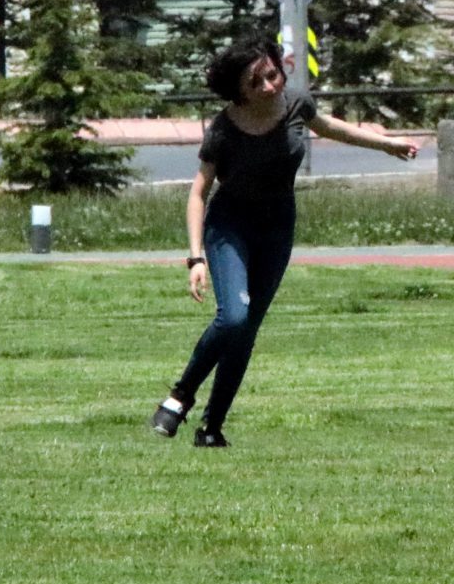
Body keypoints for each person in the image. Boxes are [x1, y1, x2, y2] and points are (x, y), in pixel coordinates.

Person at [151, 37, 419, 446]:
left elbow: (329, 126)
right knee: (233, 317)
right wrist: (195, 258)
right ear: (239, 91)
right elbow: (197, 193)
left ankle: (212, 428)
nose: (270, 87)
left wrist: (387, 144)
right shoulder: (224, 128)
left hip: (277, 227)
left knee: (247, 328)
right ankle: (179, 397)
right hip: (230, 226)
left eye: (272, 75)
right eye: (255, 83)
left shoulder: (296, 104)